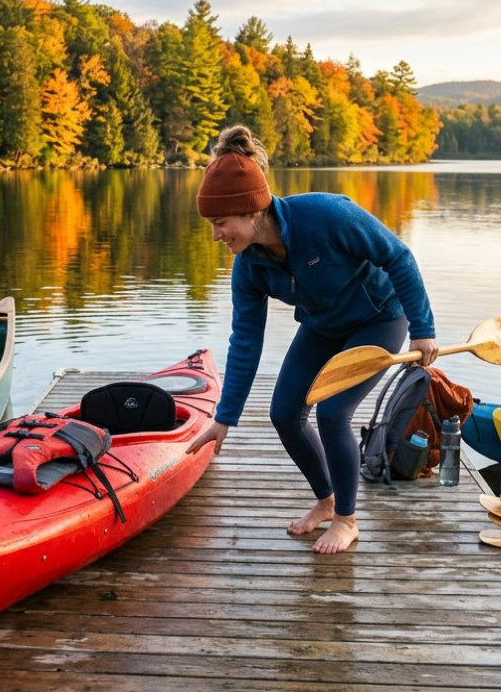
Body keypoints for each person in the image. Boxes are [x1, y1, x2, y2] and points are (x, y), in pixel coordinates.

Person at [186, 125, 439, 554]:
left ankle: (347, 519)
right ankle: (326, 501)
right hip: (324, 326)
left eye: (220, 223)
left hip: (379, 319)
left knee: (334, 412)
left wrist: (423, 328)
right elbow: (245, 340)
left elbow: (397, 255)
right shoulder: (249, 267)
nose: (216, 235)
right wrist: (224, 417)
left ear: (251, 212)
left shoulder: (327, 216)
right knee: (284, 412)